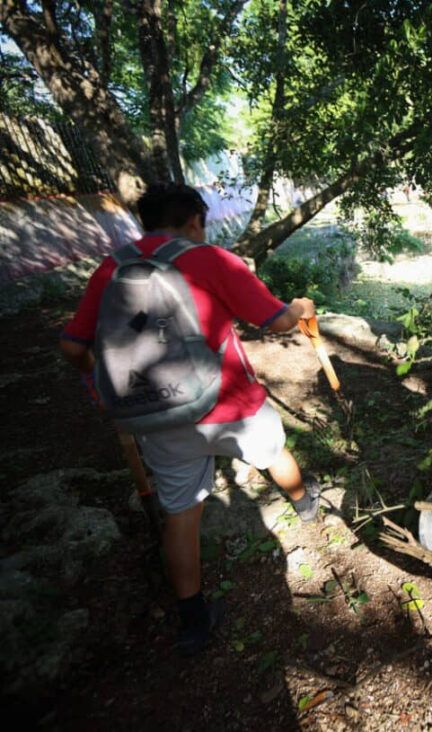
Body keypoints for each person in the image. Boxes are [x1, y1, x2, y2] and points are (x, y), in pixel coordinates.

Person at [59, 183, 322, 656]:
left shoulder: (113, 266)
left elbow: (73, 347)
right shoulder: (213, 260)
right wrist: (301, 307)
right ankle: (305, 505)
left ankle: (194, 622)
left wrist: (105, 392)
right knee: (273, 454)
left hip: (155, 415)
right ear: (196, 220)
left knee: (180, 514)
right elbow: (278, 321)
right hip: (230, 403)